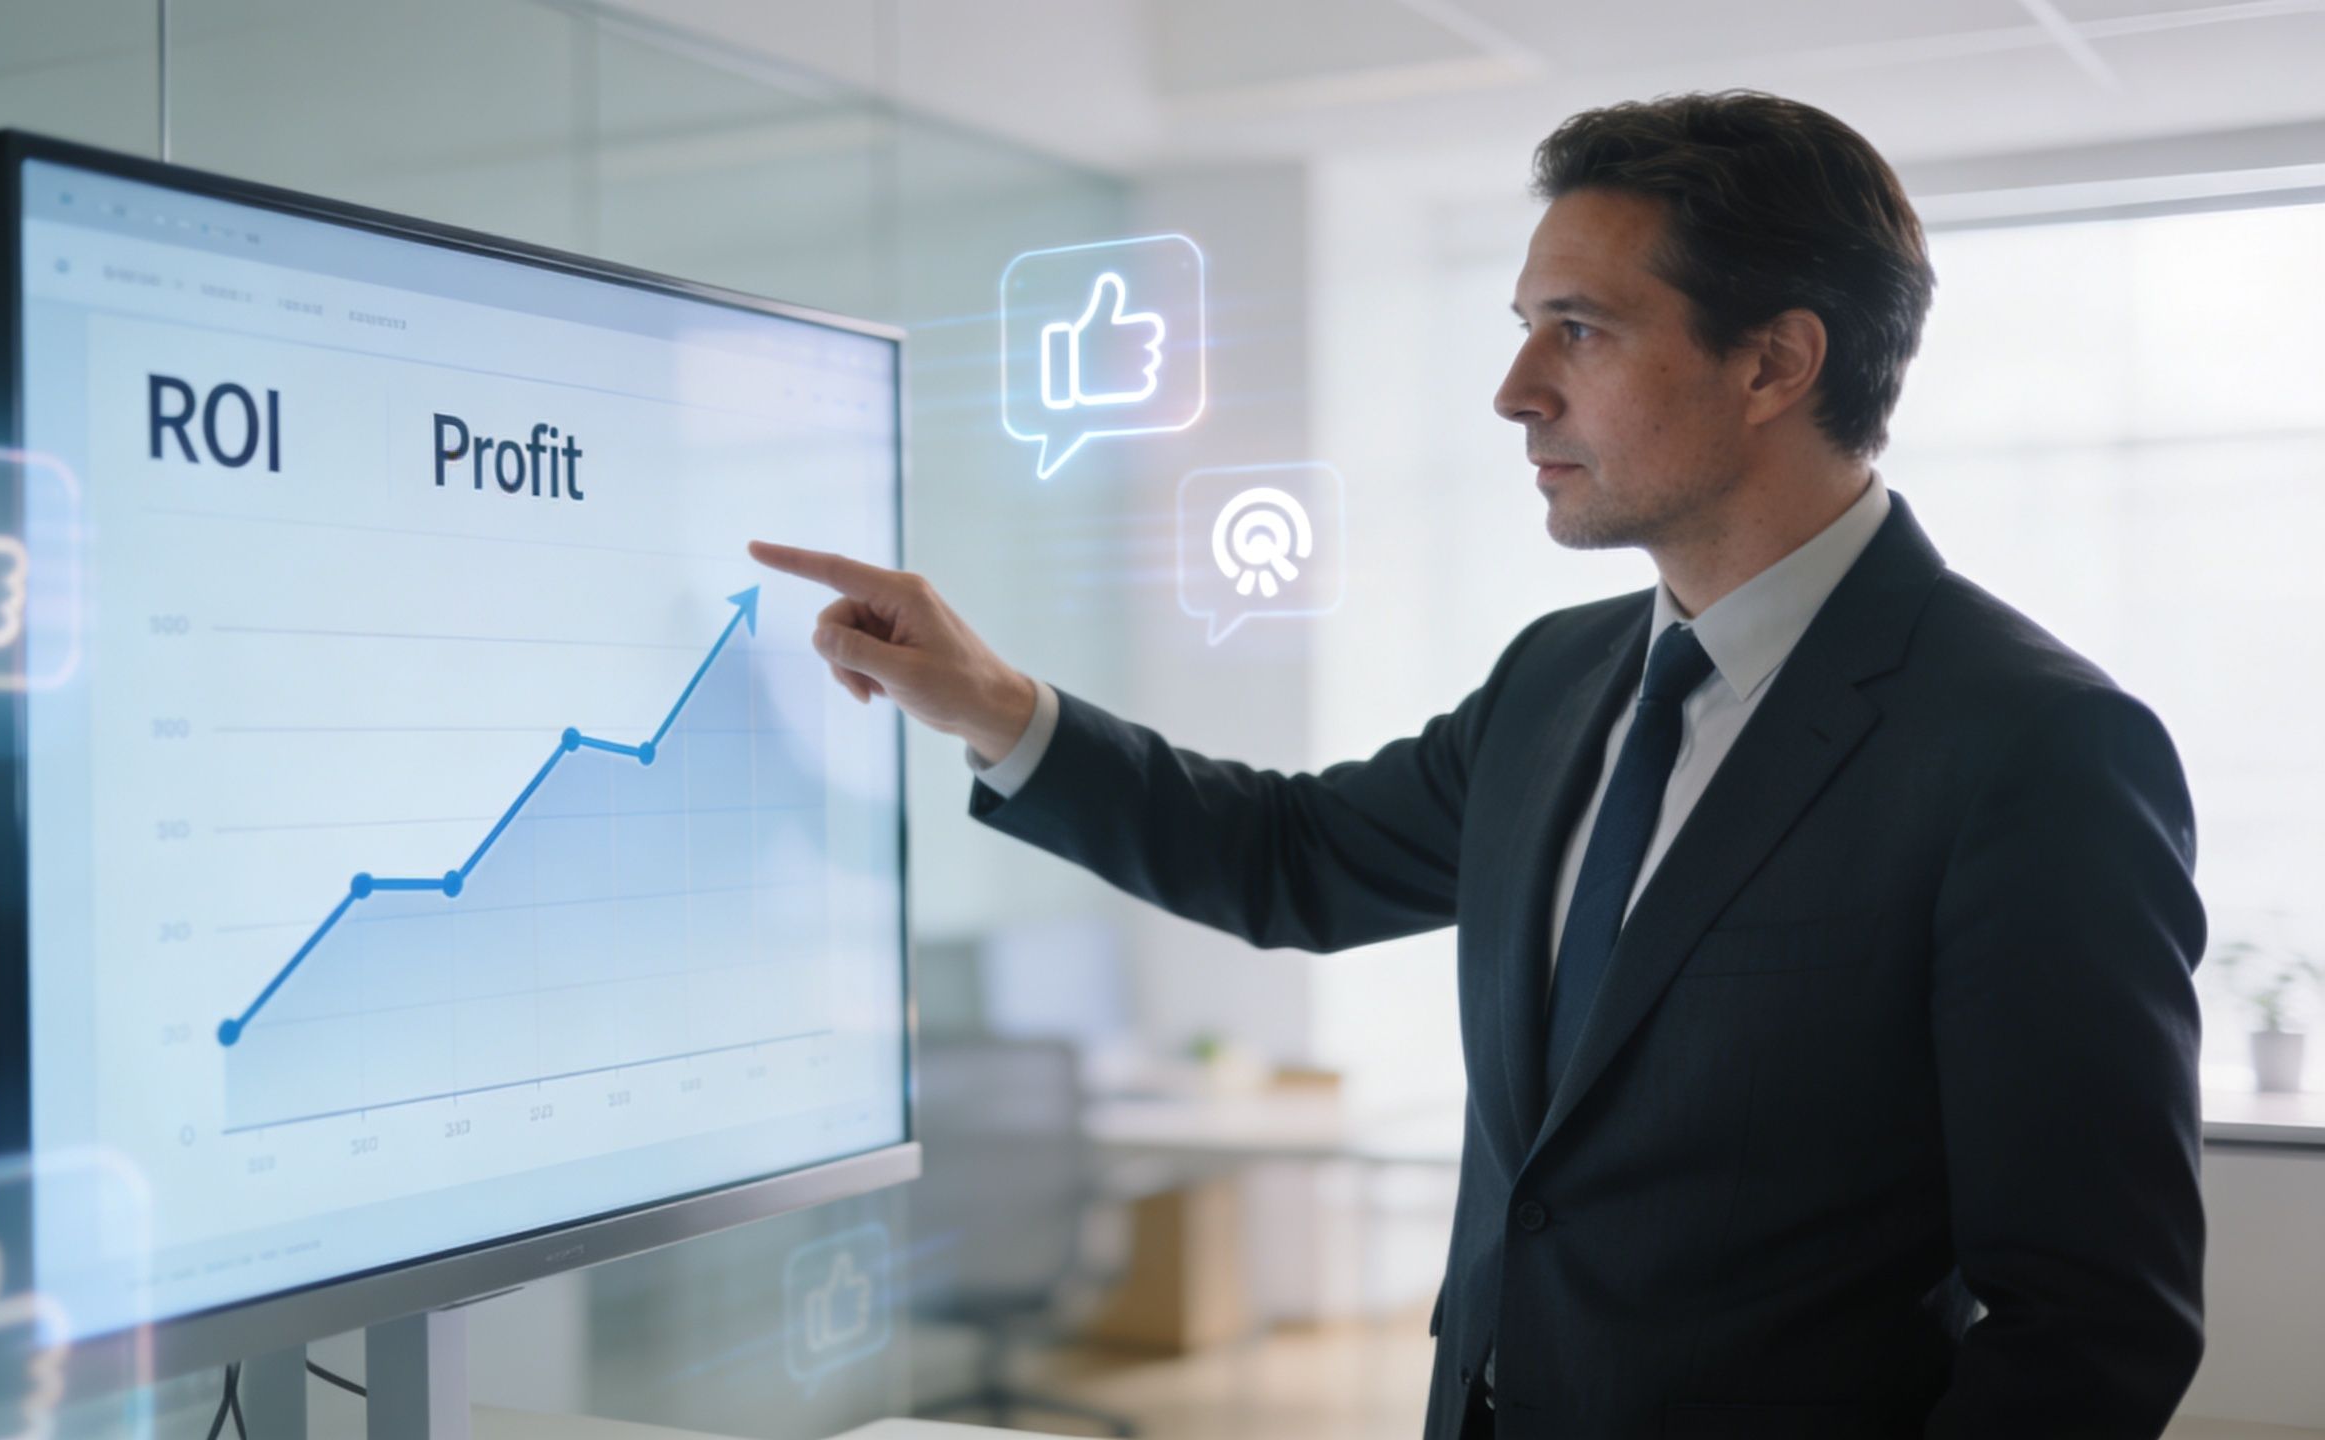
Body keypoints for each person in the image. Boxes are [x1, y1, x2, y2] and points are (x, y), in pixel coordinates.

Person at [753, 89, 2206, 1440]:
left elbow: (2094, 1324)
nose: (1516, 390)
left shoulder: (2036, 750)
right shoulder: (1559, 680)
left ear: (1774, 361)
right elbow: (1294, 860)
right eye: (1525, 325)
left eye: (1579, 328)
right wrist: (993, 702)